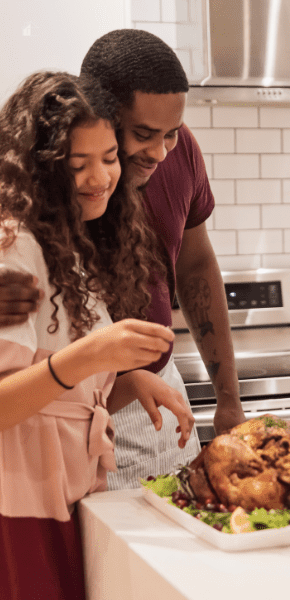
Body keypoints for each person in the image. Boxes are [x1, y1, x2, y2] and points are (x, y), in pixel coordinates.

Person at [0, 29, 246, 489]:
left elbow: (195, 266)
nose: (159, 152)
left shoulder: (173, 152)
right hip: (69, 413)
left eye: (170, 134)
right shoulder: (32, 220)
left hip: (144, 390)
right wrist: (99, 363)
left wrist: (226, 397)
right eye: (143, 135)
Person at [0, 72, 194, 600]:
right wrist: (92, 355)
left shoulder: (68, 245)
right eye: (75, 164)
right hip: (18, 503)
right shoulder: (13, 250)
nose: (98, 178)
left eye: (108, 158)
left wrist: (128, 383)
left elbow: (56, 395)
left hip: (66, 491)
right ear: (37, 167)